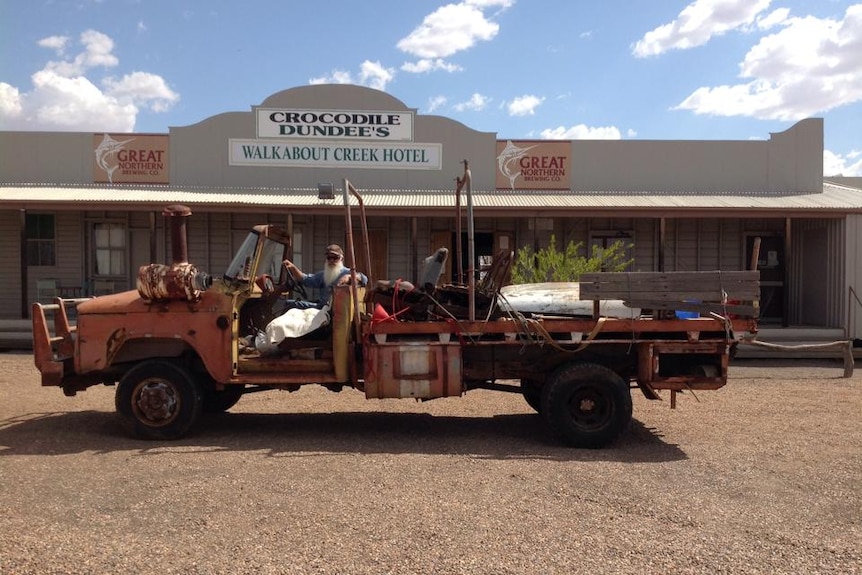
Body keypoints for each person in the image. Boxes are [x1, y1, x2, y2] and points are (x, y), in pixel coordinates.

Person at [273, 244, 368, 315]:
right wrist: (293, 268)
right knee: (288, 304)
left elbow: (364, 279)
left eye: (335, 258)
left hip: (335, 312)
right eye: (329, 258)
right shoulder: (324, 275)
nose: (331, 260)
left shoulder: (348, 272)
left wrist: (349, 277)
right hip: (321, 307)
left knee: (287, 305)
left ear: (342, 259)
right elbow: (306, 280)